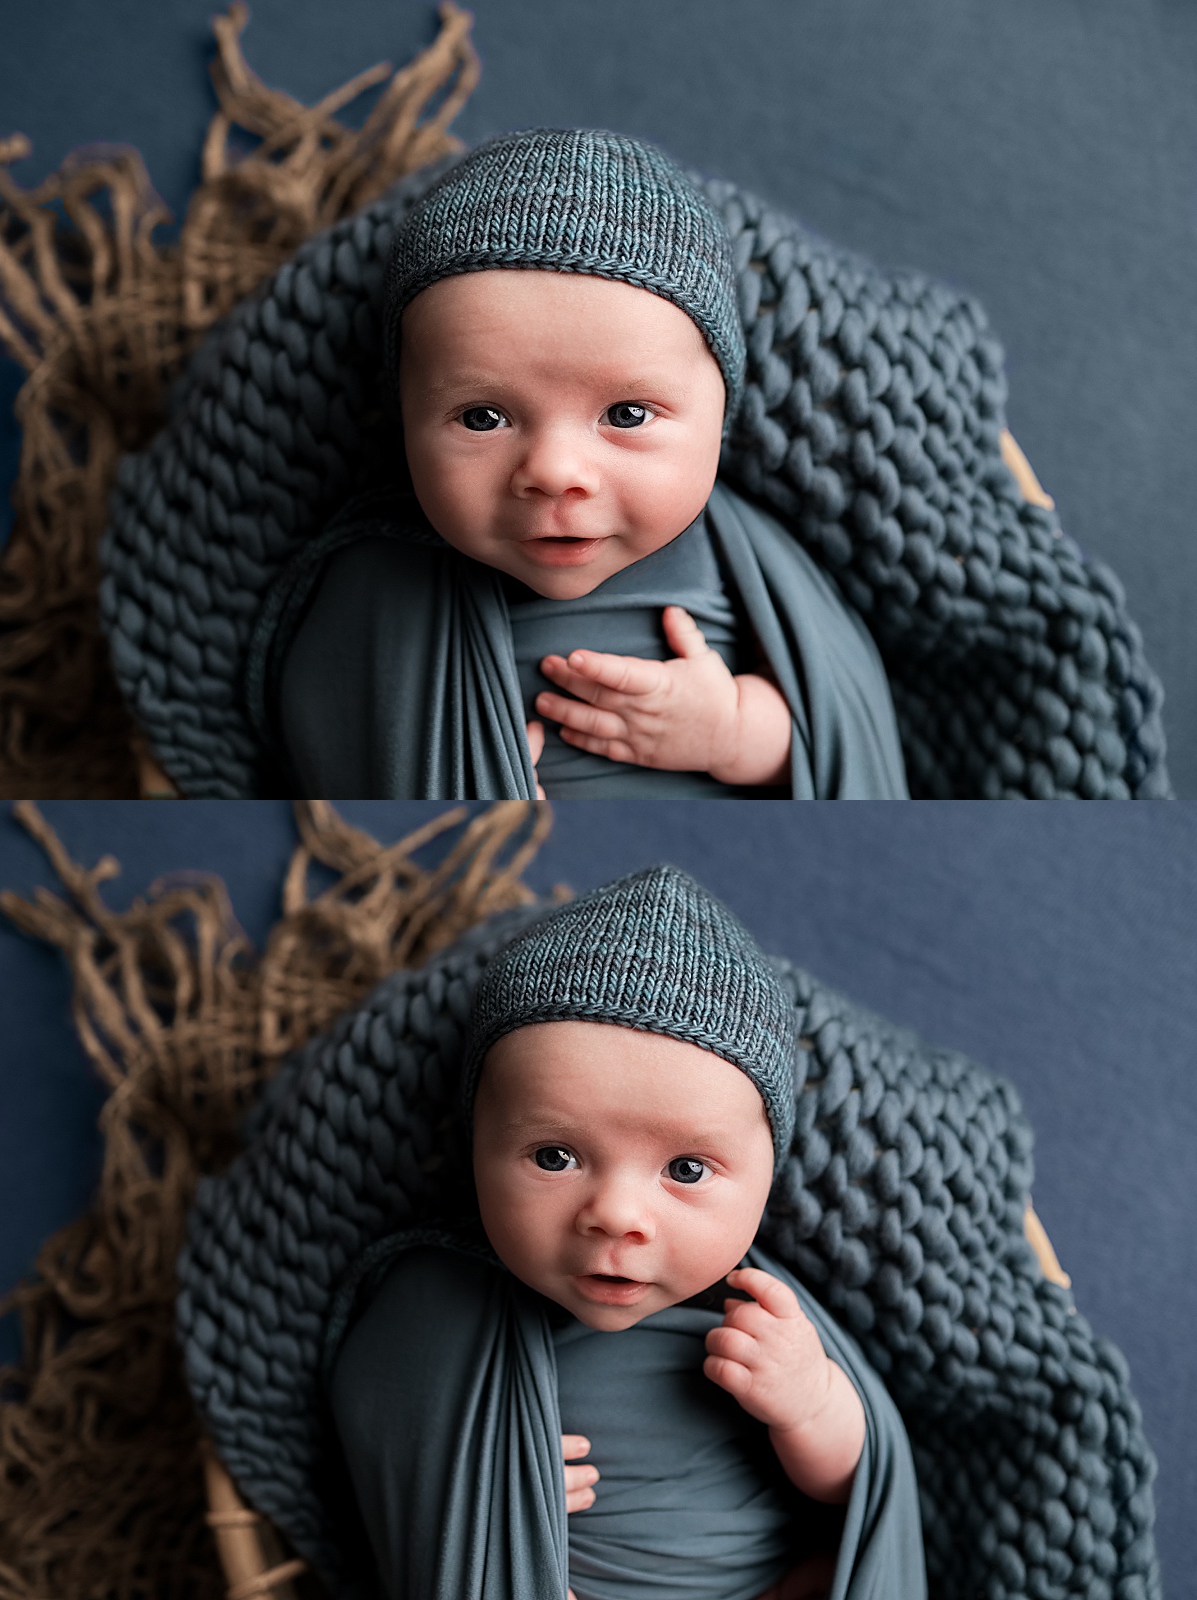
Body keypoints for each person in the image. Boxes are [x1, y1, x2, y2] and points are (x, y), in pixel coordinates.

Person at [326, 866, 926, 1599]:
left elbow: (857, 1498)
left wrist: (811, 1404)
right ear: (475, 1148)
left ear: (769, 1182)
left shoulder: (756, 1314)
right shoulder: (434, 1309)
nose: (617, 1215)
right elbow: (390, 1456)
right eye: (555, 1157)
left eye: (687, 1169)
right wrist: (502, 1498)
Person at [254, 128, 909, 798]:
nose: (556, 471)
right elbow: (321, 740)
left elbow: (844, 736)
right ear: (405, 422)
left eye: (626, 415)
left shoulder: (747, 559)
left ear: (721, 421)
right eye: (483, 417)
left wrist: (738, 731)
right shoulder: (378, 584)